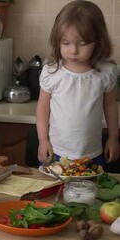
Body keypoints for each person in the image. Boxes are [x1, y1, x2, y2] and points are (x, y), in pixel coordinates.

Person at [36, 0, 119, 167]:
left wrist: (113, 137)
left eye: (82, 44)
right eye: (66, 43)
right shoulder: (52, 73)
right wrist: (43, 140)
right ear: (57, 40)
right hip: (56, 152)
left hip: (92, 155)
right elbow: (43, 107)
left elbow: (110, 106)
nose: (73, 50)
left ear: (98, 41)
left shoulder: (105, 73)